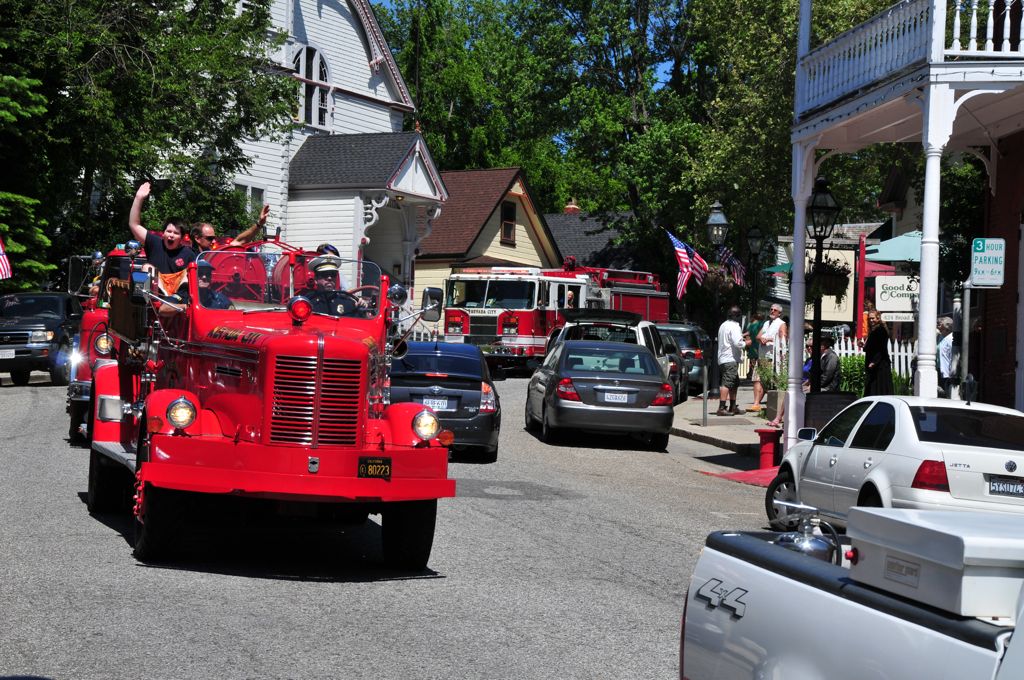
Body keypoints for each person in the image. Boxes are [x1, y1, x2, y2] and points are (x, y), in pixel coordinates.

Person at [129, 181, 196, 295]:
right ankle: (161, 292)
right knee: (147, 267)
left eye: (175, 233)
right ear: (163, 233)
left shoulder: (188, 253)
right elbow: (134, 225)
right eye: (168, 231)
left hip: (179, 298)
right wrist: (138, 198)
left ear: (181, 237)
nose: (171, 235)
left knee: (190, 272)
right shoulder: (155, 243)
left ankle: (177, 295)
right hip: (157, 295)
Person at [750, 303, 788, 411]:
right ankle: (756, 404)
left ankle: (771, 405)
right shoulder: (766, 323)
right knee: (757, 379)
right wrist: (761, 339)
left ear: (779, 313)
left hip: (772, 357)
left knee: (770, 381)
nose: (772, 311)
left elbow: (783, 339)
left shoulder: (781, 324)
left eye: (775, 310)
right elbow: (758, 336)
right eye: (771, 309)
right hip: (762, 355)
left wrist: (769, 339)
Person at [191, 204, 270, 253]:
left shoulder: (214, 252)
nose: (214, 241)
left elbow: (240, 241)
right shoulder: (188, 255)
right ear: (197, 238)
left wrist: (259, 223)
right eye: (210, 238)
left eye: (214, 238)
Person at [160, 260, 232, 313]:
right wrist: (185, 307)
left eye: (207, 274)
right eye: (200, 273)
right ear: (189, 277)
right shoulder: (183, 295)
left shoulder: (218, 298)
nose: (204, 277)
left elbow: (233, 312)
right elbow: (163, 308)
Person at [716, 306, 750, 416]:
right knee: (727, 383)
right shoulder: (735, 326)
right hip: (730, 359)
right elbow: (737, 343)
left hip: (723, 358)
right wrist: (746, 343)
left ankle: (733, 406)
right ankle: (721, 408)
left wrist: (741, 336)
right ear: (738, 316)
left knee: (734, 382)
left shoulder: (723, 325)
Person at [863, 310, 893, 396]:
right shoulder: (874, 330)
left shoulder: (880, 330)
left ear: (878, 318)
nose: (871, 320)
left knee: (878, 388)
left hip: (880, 365)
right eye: (869, 319)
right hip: (874, 363)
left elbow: (881, 348)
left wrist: (874, 362)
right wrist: (864, 346)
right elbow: (872, 346)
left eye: (873, 318)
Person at [937, 316, 954, 397]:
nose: (938, 327)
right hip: (940, 369)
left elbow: (952, 356)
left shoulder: (951, 339)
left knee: (945, 393)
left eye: (941, 325)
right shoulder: (942, 337)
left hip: (947, 372)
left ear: (946, 327)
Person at [745, 311, 764, 380]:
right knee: (758, 359)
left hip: (752, 343)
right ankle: (755, 374)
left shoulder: (751, 324)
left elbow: (748, 333)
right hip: (758, 343)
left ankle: (750, 373)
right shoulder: (761, 324)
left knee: (752, 359)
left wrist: (743, 336)